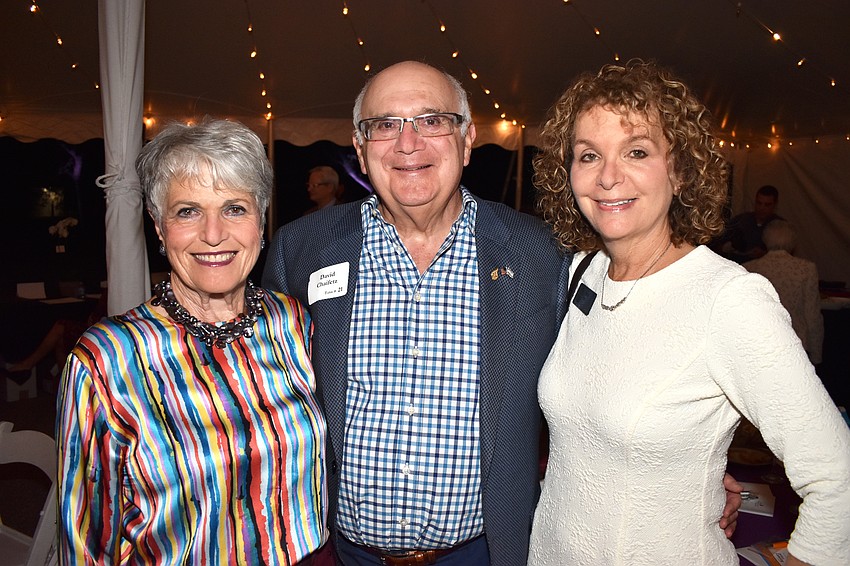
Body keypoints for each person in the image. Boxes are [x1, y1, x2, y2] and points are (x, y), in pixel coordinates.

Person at [263, 61, 740, 566]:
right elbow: (266, 389)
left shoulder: (541, 254)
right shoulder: (304, 249)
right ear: (360, 148)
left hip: (487, 551)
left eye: (432, 121)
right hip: (343, 552)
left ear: (467, 139)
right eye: (385, 125)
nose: (408, 144)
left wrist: (679, 459)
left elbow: (607, 363)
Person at [529, 59, 850, 566]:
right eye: (588, 155)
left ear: (679, 170)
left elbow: (839, 477)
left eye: (637, 151)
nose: (609, 176)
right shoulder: (580, 274)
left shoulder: (728, 299)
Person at [56, 118, 331, 565]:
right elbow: (87, 539)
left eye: (235, 208)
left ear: (261, 221)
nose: (213, 234)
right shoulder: (107, 359)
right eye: (188, 211)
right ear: (159, 228)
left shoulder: (296, 322)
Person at [745, 220, 824, 364]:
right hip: (796, 347)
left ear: (765, 240)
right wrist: (817, 355)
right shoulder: (806, 269)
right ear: (793, 242)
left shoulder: (749, 268)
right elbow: (812, 316)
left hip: (758, 347)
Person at [715, 184, 782, 263]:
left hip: (767, 270)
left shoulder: (780, 226)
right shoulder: (740, 221)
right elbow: (717, 246)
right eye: (759, 203)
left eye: (767, 205)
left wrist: (764, 254)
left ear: (775, 205)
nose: (762, 208)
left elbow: (785, 255)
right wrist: (726, 247)